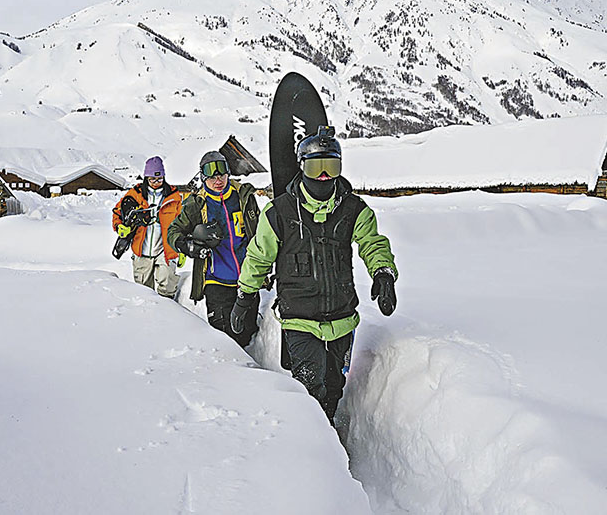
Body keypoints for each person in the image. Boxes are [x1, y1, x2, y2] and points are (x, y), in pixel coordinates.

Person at [231, 126, 397, 423]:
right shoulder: (279, 213)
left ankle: (329, 432)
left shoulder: (353, 209)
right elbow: (259, 256)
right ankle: (313, 445)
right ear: (301, 167)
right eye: (315, 166)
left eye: (330, 167)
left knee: (335, 387)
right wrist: (246, 295)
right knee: (310, 386)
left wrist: (383, 272)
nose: (323, 176)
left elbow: (372, 242)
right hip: (299, 318)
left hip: (342, 317)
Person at [167, 151, 261, 348]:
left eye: (222, 174)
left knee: (247, 334)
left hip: (247, 280)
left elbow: (261, 230)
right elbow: (173, 232)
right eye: (211, 176)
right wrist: (189, 246)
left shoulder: (243, 197)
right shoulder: (196, 204)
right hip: (216, 281)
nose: (218, 180)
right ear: (203, 177)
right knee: (224, 340)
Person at [112, 156, 183, 298]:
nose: (156, 183)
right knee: (143, 291)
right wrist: (119, 227)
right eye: (152, 179)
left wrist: (181, 249)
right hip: (141, 250)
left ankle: (169, 314)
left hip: (165, 250)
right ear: (146, 178)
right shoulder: (135, 195)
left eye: (159, 179)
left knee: (167, 284)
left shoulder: (174, 197)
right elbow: (117, 212)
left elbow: (183, 223)